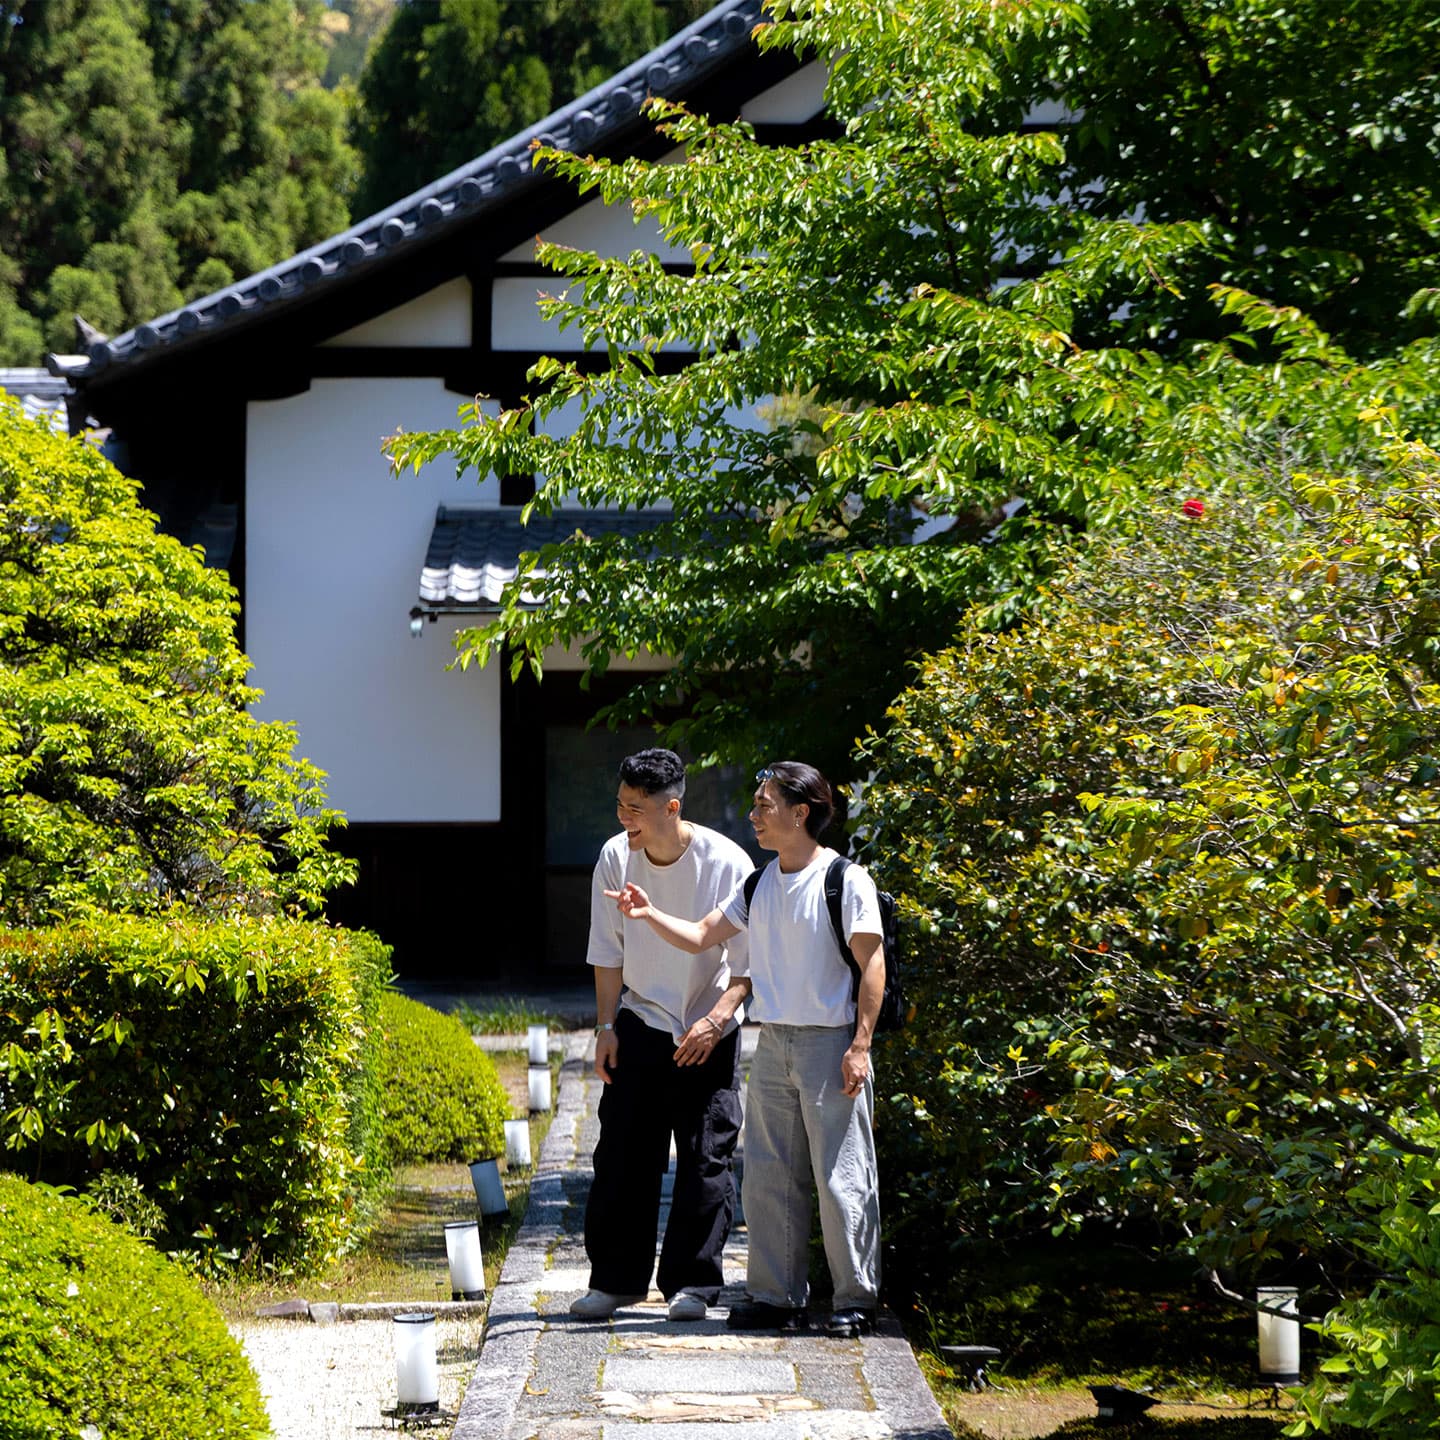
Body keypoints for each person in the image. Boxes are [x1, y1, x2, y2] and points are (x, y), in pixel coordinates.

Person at [606, 760, 885, 1339]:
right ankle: (776, 1296)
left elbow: (872, 964)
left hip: (830, 1042)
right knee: (767, 1175)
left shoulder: (844, 879)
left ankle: (855, 1299)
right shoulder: (759, 883)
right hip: (774, 1040)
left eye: (764, 806)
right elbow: (702, 936)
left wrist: (860, 1044)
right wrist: (648, 912)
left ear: (800, 813)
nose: (753, 815)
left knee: (841, 1177)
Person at [570, 748, 754, 1322]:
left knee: (706, 1159)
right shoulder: (614, 857)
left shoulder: (727, 863)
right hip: (641, 1018)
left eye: (636, 809)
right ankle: (616, 1280)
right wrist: (605, 1026)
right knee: (622, 1154)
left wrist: (716, 1020)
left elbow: (746, 969)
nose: (623, 818)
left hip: (709, 1026)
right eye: (620, 805)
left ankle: (693, 1282)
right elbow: (607, 952)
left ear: (671, 808)